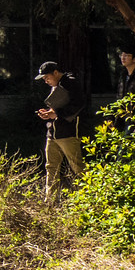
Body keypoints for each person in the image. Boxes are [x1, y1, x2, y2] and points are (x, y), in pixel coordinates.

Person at [35, 61, 86, 196]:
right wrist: (48, 113)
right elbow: (57, 108)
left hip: (68, 134)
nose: (45, 81)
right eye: (44, 79)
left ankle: (91, 198)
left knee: (77, 166)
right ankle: (49, 201)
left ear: (56, 73)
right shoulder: (56, 85)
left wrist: (56, 113)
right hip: (52, 134)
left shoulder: (70, 83)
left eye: (47, 77)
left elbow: (78, 104)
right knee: (51, 167)